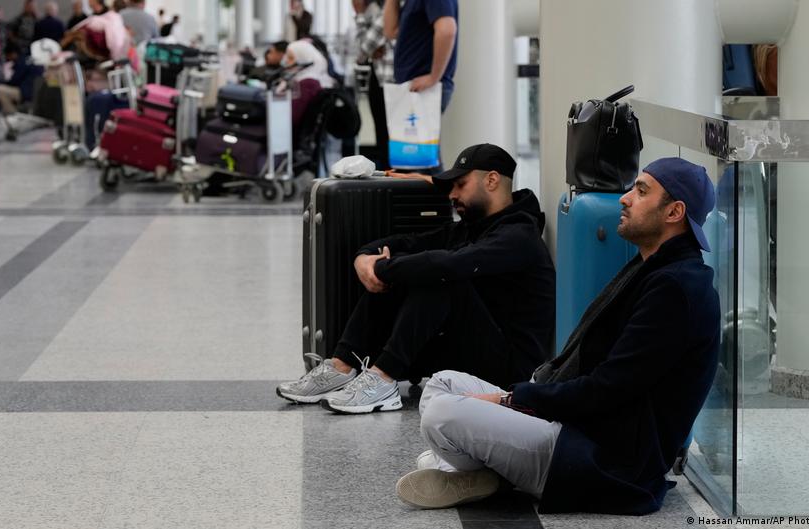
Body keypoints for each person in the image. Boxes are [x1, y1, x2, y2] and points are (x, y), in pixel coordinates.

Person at [395, 158, 721, 515]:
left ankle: (485, 470)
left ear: (674, 211)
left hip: (602, 458)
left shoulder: (677, 289)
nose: (625, 198)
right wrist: (523, 399)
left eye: (641, 191)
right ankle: (487, 471)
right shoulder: (654, 269)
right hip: (576, 427)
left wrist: (512, 400)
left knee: (443, 415)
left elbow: (609, 389)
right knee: (441, 385)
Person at [277, 143, 556, 414]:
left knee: (440, 275)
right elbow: (409, 242)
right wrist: (364, 258)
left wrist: (382, 268)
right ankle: (341, 366)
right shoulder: (471, 229)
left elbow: (449, 264)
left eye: (460, 185)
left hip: (509, 369)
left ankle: (383, 381)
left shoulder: (519, 237)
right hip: (468, 350)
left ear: (492, 181)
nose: (451, 195)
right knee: (416, 268)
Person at [383, 0, 457, 112]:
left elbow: (447, 31)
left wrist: (433, 77)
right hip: (412, 86)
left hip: (423, 88)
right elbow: (390, 31)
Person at [353, 0, 394, 170]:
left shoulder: (388, 10)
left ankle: (389, 178)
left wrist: (360, 14)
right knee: (387, 134)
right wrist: (371, 49)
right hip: (384, 79)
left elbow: (361, 50)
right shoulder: (384, 10)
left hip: (386, 82)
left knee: (384, 134)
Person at [0, 42, 43, 115]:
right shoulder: (29, 60)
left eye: (8, 55)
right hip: (35, 92)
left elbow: (14, 81)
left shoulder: (22, 62)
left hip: (26, 93)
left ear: (13, 53)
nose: (8, 58)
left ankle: (12, 114)